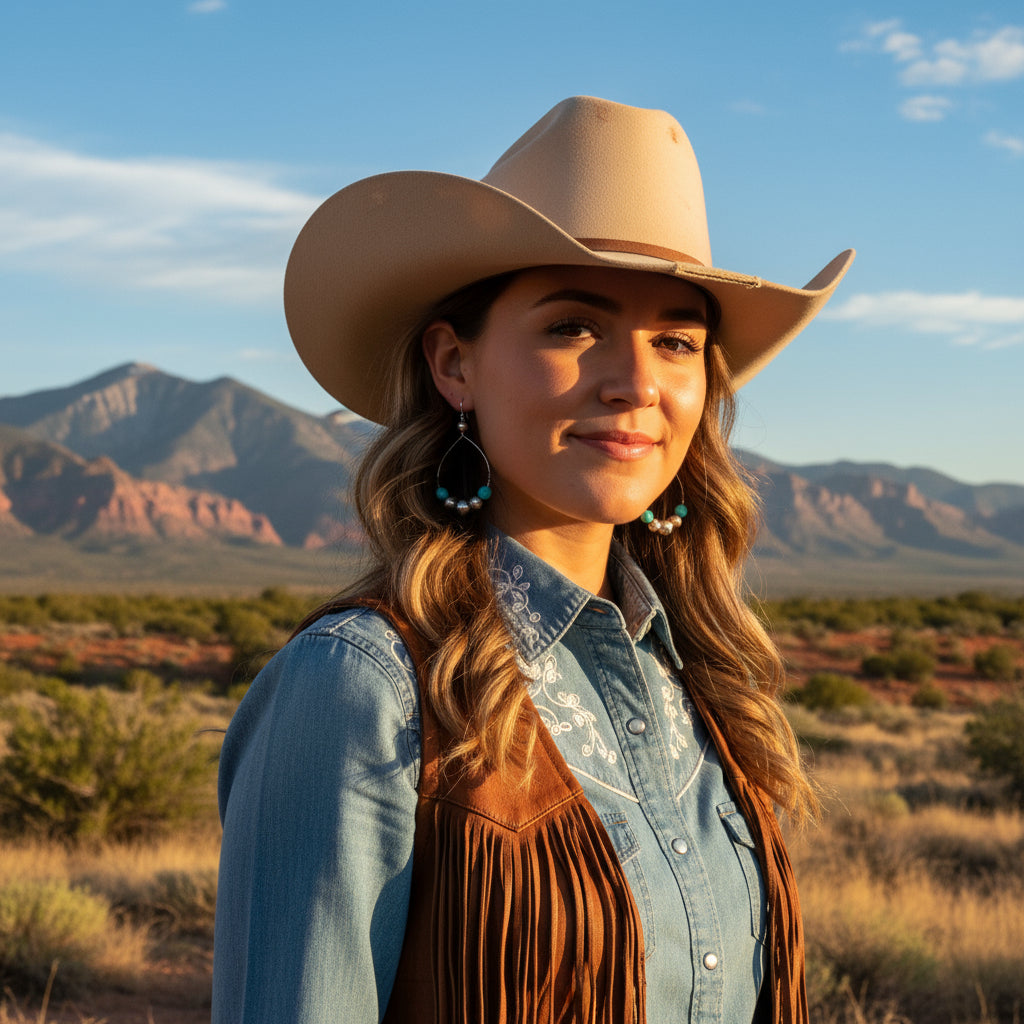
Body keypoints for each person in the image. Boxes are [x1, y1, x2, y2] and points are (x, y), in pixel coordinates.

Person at [212, 96, 854, 1024]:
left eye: (677, 340)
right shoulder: (362, 689)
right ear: (454, 365)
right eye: (572, 328)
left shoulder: (697, 681)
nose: (636, 382)